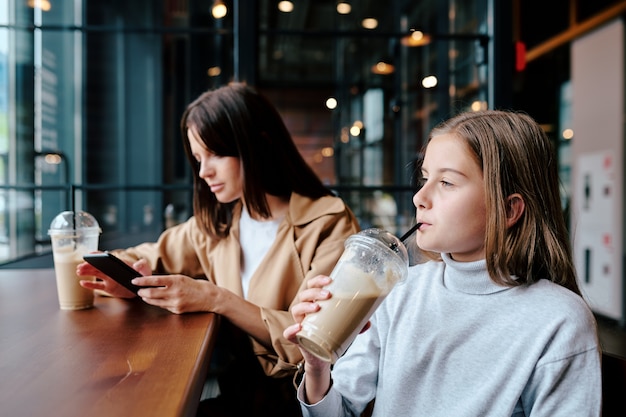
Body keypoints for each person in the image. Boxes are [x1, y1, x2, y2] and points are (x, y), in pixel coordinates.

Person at [284, 110, 602, 417]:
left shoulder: (560, 320)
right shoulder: (397, 291)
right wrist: (317, 367)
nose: (419, 197)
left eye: (446, 183)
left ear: (508, 210)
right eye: (424, 178)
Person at [77, 82, 360, 417]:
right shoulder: (220, 222)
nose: (203, 171)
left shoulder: (328, 223)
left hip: (303, 404)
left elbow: (314, 343)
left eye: (215, 154)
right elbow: (150, 255)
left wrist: (217, 299)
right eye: (198, 158)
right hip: (239, 395)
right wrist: (123, 279)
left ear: (259, 144)